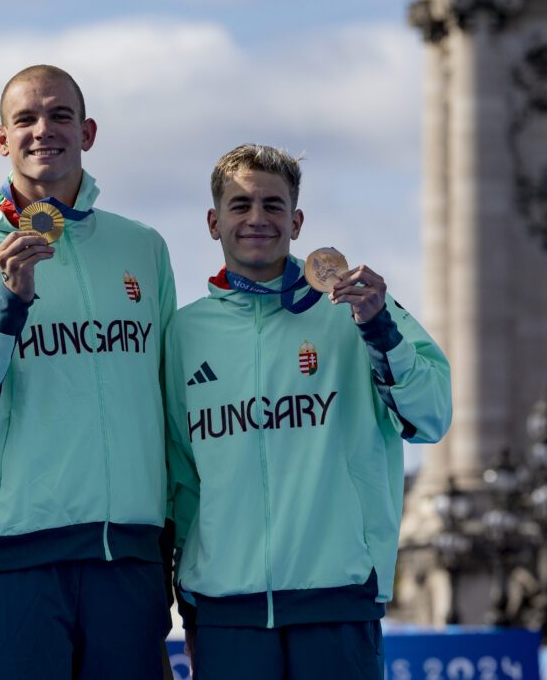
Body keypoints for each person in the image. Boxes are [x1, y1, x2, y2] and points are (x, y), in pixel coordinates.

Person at [0, 65, 177, 679]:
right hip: (15, 557)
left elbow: (172, 413)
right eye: (25, 119)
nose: (44, 131)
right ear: (1, 139)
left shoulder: (144, 247)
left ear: (87, 131)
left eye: (60, 115)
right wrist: (8, 305)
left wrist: (174, 548)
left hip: (129, 555)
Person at [165, 144, 452, 679]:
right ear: (213, 221)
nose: (257, 218)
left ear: (296, 222)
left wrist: (380, 329)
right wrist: (190, 608)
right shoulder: (184, 333)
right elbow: (182, 479)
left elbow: (433, 415)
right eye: (240, 204)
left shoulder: (358, 309)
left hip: (336, 600)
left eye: (273, 206)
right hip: (228, 610)